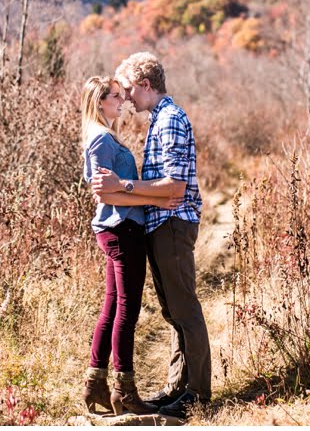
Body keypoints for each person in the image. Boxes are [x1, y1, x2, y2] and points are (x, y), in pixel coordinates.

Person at [92, 52, 209, 420]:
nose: (125, 97)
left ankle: (198, 394)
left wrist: (122, 186)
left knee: (185, 309)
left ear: (145, 84)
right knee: (173, 311)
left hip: (174, 223)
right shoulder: (159, 119)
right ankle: (177, 386)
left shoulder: (171, 119)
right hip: (161, 224)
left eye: (127, 89)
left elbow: (173, 187)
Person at [78, 76, 183, 416]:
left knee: (112, 309)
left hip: (119, 227)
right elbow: (105, 193)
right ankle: (124, 391)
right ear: (99, 102)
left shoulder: (106, 136)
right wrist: (153, 196)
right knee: (127, 310)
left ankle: (95, 385)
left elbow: (115, 190)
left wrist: (147, 197)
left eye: (122, 96)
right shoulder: (101, 142)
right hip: (122, 230)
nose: (122, 102)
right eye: (114, 97)